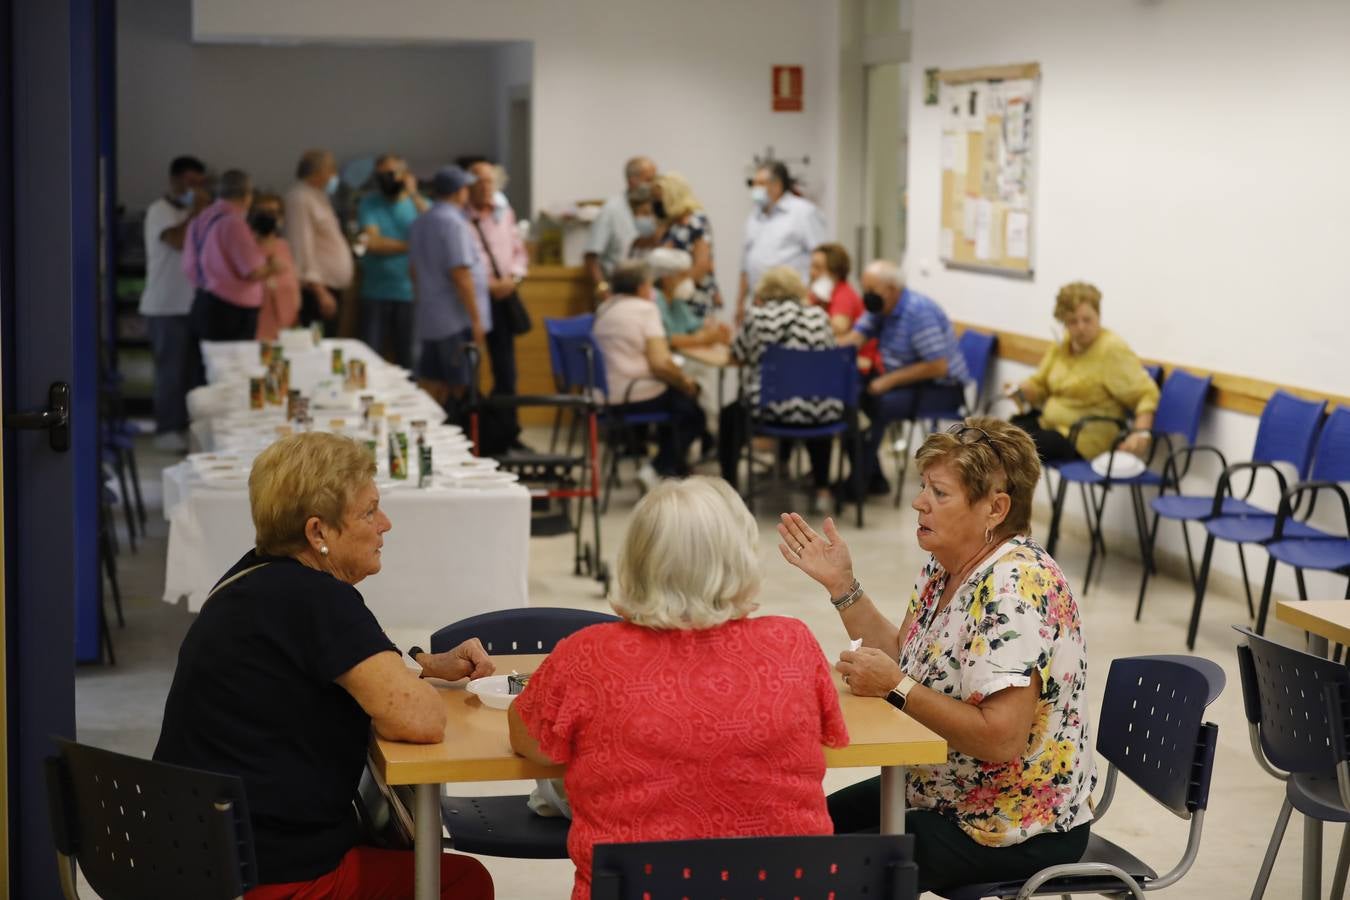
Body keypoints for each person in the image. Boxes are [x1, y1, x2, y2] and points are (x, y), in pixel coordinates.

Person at [154, 432, 495, 900]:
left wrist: (424, 665)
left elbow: (339, 668)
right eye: (369, 511)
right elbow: (422, 720)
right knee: (461, 882)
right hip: (269, 874)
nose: (386, 524)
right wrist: (413, 689)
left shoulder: (251, 578)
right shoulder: (318, 599)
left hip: (198, 855)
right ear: (318, 533)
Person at [776, 417, 1095, 893]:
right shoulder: (946, 564)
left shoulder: (1014, 591)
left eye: (939, 493)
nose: (918, 502)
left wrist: (896, 688)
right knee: (798, 830)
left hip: (1008, 822)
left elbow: (1000, 738)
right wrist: (842, 586)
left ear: (995, 508)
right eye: (924, 486)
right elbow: (905, 656)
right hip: (941, 791)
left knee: (819, 869)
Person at [509, 476, 848, 900]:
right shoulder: (792, 642)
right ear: (741, 558)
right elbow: (824, 739)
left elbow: (533, 744)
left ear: (636, 558)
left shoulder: (587, 656)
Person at [839, 259, 971, 498]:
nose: (866, 296)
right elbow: (857, 336)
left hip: (941, 389)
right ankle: (872, 477)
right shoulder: (883, 308)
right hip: (906, 382)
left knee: (876, 404)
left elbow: (938, 366)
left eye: (871, 290)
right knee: (849, 398)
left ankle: (859, 482)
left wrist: (889, 381)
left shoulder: (919, 313)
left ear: (891, 289)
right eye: (864, 289)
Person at [719, 266, 840, 498]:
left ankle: (729, 487)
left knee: (729, 416)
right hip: (820, 412)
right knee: (813, 402)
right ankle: (823, 486)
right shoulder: (819, 316)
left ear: (764, 289)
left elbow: (737, 354)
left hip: (770, 410)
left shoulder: (757, 316)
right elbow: (829, 357)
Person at [1008, 281, 1159, 461]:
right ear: (1063, 323)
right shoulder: (1063, 345)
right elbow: (1041, 383)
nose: (1081, 327)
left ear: (1098, 316)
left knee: (1015, 448)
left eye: (1087, 319)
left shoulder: (1111, 349)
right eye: (1073, 321)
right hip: (1052, 425)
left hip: (1084, 437)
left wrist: (1141, 433)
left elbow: (1146, 393)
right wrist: (1024, 390)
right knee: (1000, 436)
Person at [591, 259, 705, 484]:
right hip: (634, 394)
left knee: (677, 403)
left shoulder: (605, 308)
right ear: (642, 287)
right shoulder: (646, 310)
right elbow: (660, 364)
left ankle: (671, 468)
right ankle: (657, 468)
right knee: (693, 414)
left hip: (603, 395)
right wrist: (685, 381)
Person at [408, 165, 490, 417]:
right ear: (459, 192)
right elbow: (461, 273)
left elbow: (412, 271)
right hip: (455, 321)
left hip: (430, 315)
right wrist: (476, 319)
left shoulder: (420, 222)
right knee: (460, 386)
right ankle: (462, 437)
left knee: (433, 384)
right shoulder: (453, 224)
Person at [140, 155, 208, 451]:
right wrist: (197, 210)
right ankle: (166, 429)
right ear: (174, 180)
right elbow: (178, 240)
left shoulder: (195, 213)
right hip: (165, 307)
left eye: (199, 184)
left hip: (191, 305)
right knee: (171, 373)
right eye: (190, 182)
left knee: (192, 374)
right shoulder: (160, 210)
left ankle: (184, 428)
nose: (194, 188)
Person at [467, 159, 530, 450]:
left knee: (506, 370)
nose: (484, 187)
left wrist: (513, 279)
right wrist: (486, 285)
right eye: (478, 181)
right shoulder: (460, 216)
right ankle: (476, 434)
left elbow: (519, 252)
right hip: (473, 299)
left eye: (489, 182)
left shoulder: (504, 213)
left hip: (504, 297)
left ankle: (509, 431)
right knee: (470, 369)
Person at [182, 169, 282, 342]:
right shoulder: (234, 223)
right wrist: (274, 267)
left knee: (209, 364)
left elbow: (189, 264)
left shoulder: (201, 218)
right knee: (234, 365)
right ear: (246, 195)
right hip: (231, 311)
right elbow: (253, 271)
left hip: (204, 300)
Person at [356, 153, 427, 368]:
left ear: (405, 175)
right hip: (375, 293)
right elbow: (373, 242)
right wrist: (410, 246)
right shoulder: (369, 203)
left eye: (390, 174)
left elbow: (434, 231)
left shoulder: (419, 204)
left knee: (411, 362)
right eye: (380, 175)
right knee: (370, 359)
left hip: (410, 294)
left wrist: (414, 194)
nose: (385, 179)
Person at [737, 161, 826, 325]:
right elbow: (745, 264)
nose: (755, 189)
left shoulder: (803, 212)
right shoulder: (754, 216)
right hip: (758, 303)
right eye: (754, 183)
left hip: (792, 306)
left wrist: (816, 297)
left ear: (777, 185)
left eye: (761, 184)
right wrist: (740, 303)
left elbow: (823, 257)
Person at [284, 149, 353, 334]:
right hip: (317, 290)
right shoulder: (299, 197)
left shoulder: (318, 195)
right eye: (331, 170)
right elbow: (301, 246)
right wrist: (319, 291)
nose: (334, 176)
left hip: (330, 288)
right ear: (318, 172)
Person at [584, 156, 656, 302]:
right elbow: (591, 256)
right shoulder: (611, 210)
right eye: (649, 180)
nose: (653, 185)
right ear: (632, 180)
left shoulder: (656, 210)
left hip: (647, 291)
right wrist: (602, 290)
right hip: (616, 292)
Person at [809, 241, 884, 375]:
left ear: (834, 272)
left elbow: (839, 329)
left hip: (855, 363)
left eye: (818, 268)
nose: (812, 273)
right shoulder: (818, 296)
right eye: (812, 267)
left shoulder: (843, 294)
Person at [654, 171, 720, 317]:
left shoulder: (696, 222)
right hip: (669, 295)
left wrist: (679, 288)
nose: (656, 203)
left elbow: (702, 263)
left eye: (659, 198)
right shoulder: (669, 224)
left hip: (690, 294)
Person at [647, 247, 729, 351]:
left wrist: (712, 328)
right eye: (683, 276)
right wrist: (701, 339)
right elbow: (667, 339)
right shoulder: (654, 301)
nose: (688, 281)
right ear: (667, 279)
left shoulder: (677, 302)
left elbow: (694, 326)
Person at [249, 192, 302, 342]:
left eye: (273, 213)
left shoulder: (283, 246)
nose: (269, 217)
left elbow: (292, 284)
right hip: (257, 324)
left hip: (285, 324)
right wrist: (269, 270)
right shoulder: (246, 246)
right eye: (263, 212)